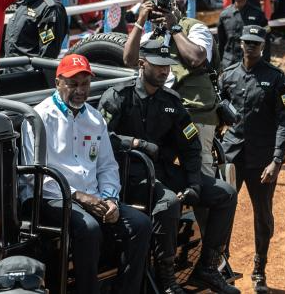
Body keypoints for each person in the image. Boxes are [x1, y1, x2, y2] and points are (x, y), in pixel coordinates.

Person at [100, 38, 240, 294]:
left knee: (226, 194)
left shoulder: (171, 101)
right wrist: (136, 143)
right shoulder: (119, 96)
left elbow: (190, 146)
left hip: (162, 172)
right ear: (141, 64)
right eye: (158, 65)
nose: (165, 71)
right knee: (168, 202)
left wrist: (194, 183)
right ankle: (167, 282)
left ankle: (207, 268)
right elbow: (100, 137)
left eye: (167, 65)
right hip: (128, 177)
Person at [20, 54, 151, 294]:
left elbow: (107, 166)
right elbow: (35, 176)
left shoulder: (94, 117)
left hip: (93, 196)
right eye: (73, 84)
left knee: (141, 224)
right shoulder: (38, 118)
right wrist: (79, 196)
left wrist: (110, 199)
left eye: (85, 84)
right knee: (88, 228)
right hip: (50, 197)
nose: (80, 91)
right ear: (58, 82)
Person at [218, 25, 285, 294]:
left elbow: (284, 121)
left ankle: (259, 269)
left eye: (255, 43)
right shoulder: (227, 76)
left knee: (263, 215)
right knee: (223, 212)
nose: (250, 46)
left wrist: (277, 160)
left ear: (262, 46)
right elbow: (217, 115)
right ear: (240, 44)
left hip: (262, 160)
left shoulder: (276, 78)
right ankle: (220, 266)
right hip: (232, 157)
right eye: (247, 42)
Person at [124, 0, 219, 176]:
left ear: (174, 8)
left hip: (195, 110)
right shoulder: (152, 37)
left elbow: (195, 58)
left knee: (199, 166)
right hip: (162, 113)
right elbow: (129, 59)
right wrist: (140, 21)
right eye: (154, 11)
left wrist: (174, 27)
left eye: (162, 10)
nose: (158, 15)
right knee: (158, 164)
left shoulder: (194, 28)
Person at [217, 0, 268, 69]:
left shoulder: (257, 14)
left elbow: (266, 40)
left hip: (250, 63)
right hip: (229, 63)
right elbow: (221, 42)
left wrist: (265, 62)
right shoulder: (225, 14)